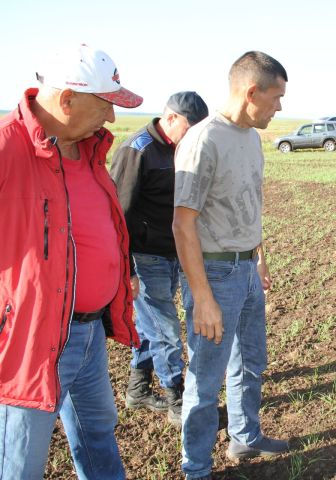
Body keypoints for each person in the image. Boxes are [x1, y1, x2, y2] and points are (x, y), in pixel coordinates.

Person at [0, 44, 142, 479]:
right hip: (31, 341)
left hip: (87, 333)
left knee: (98, 432)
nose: (112, 119)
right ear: (67, 100)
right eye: (106, 106)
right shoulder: (8, 145)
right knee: (22, 461)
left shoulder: (90, 150)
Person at [172, 51, 289, 480]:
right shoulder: (204, 140)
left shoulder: (251, 137)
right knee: (204, 382)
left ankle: (245, 435)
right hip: (215, 274)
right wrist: (202, 298)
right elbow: (183, 224)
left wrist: (260, 260)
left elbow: (251, 206)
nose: (280, 107)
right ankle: (197, 467)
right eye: (276, 97)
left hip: (246, 269)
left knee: (251, 360)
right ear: (251, 91)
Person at [110, 91, 209, 426]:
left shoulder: (182, 148)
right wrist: (127, 270)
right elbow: (116, 215)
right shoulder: (136, 151)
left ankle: (138, 389)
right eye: (190, 128)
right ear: (170, 119)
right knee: (164, 327)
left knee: (150, 325)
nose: (193, 136)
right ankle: (176, 396)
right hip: (145, 256)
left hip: (177, 251)